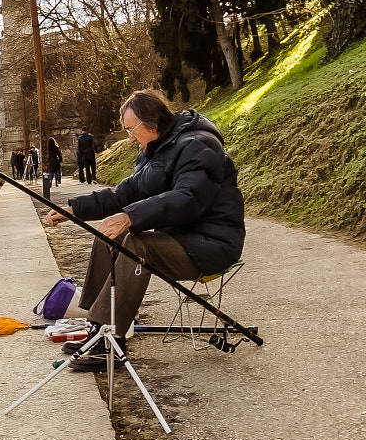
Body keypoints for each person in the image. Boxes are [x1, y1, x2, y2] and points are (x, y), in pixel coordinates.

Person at [43, 90, 244, 370]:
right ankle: (97, 327)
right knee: (109, 236)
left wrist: (129, 217)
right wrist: (75, 209)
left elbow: (189, 199)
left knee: (135, 244)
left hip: (211, 243)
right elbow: (125, 194)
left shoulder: (199, 145)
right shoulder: (153, 150)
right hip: (179, 237)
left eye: (131, 129)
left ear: (152, 122)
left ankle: (110, 341)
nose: (130, 138)